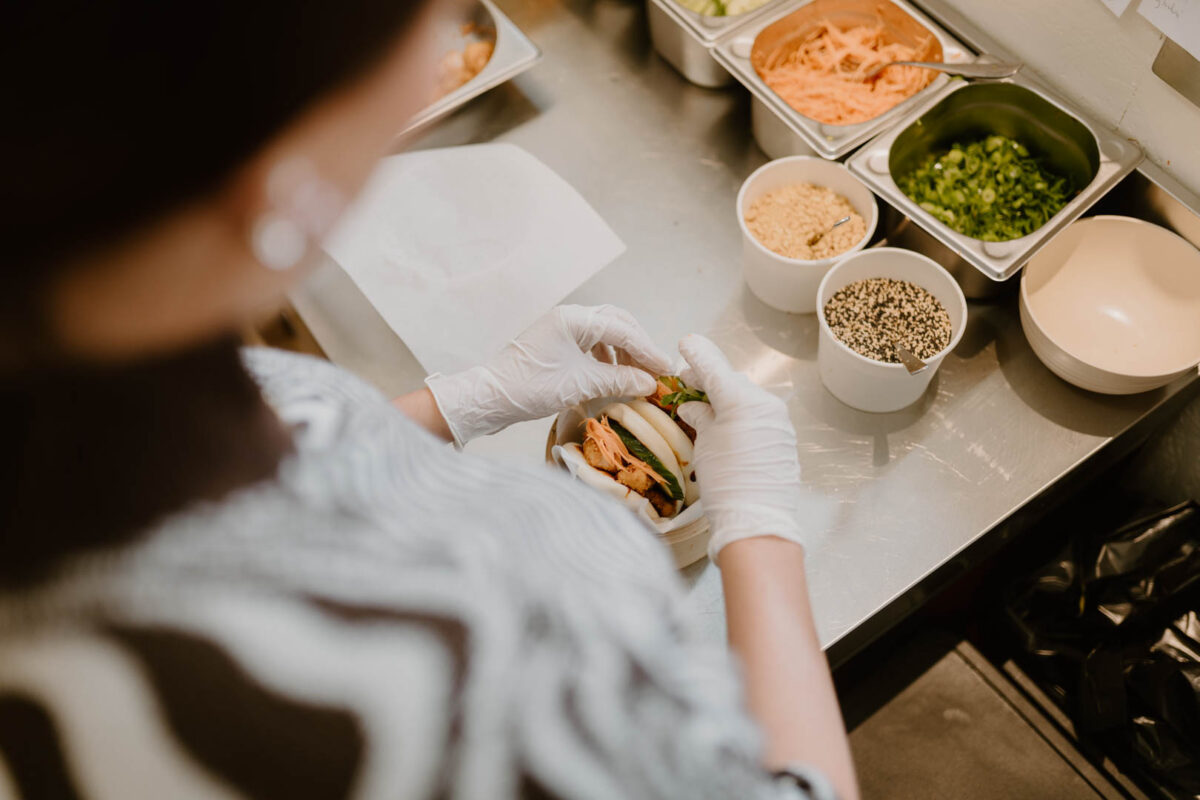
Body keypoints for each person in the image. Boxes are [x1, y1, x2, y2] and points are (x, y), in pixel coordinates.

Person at [0, 2, 859, 799]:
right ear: (274, 173)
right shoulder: (510, 623)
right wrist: (762, 534)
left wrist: (459, 403)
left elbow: (285, 482)